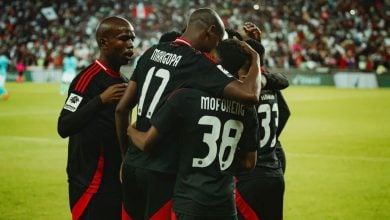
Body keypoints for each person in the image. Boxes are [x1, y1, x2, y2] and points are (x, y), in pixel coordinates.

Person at [116, 8, 262, 220]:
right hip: (163, 170)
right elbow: (249, 94)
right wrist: (256, 57)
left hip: (132, 164)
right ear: (210, 32)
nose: (217, 48)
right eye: (218, 40)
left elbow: (121, 109)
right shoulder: (198, 63)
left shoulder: (151, 52)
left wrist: (124, 157)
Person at [127, 87, 259, 220]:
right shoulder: (246, 107)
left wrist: (130, 130)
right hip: (224, 203)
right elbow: (249, 163)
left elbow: (147, 142)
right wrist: (220, 162)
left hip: (189, 200)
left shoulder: (185, 97)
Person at [57, 16, 135, 220]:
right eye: (124, 38)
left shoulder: (125, 81)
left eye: (132, 39)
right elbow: (64, 126)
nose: (130, 45)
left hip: (116, 180)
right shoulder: (87, 79)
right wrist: (100, 100)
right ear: (104, 43)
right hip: (90, 182)